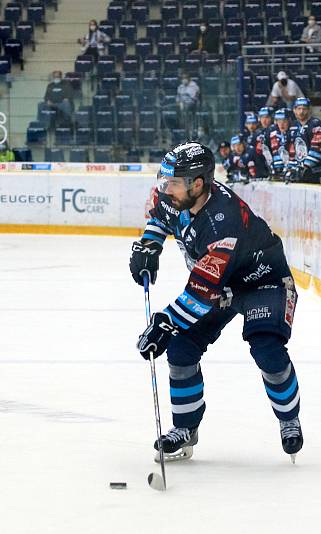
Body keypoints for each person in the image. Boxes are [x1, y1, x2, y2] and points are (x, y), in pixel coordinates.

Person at [129, 141, 303, 461]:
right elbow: (160, 217)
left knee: (267, 348)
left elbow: (201, 291)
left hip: (262, 281)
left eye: (174, 183)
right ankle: (185, 428)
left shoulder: (223, 222)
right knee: (181, 349)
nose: (166, 189)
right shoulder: (174, 195)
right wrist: (149, 247)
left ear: (198, 183)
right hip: (218, 285)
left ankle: (289, 419)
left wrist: (164, 322)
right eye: (164, 181)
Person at [286, 97, 321, 184]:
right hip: (301, 172)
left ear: (309, 110)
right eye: (299, 109)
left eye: (304, 109)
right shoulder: (293, 126)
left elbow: (317, 149)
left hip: (316, 172)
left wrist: (304, 166)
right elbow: (292, 150)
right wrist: (291, 167)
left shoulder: (316, 124)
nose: (301, 112)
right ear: (294, 110)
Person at [264, 108, 293, 179]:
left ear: (289, 121)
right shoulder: (271, 133)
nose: (281, 124)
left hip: (291, 171)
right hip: (276, 171)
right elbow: (267, 150)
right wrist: (271, 166)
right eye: (279, 121)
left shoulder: (294, 133)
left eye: (284, 121)